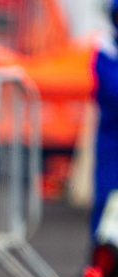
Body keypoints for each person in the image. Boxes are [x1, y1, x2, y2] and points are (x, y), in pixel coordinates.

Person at [92, 0, 118, 252]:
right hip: (113, 134)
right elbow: (112, 91)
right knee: (107, 193)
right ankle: (101, 255)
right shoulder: (106, 48)